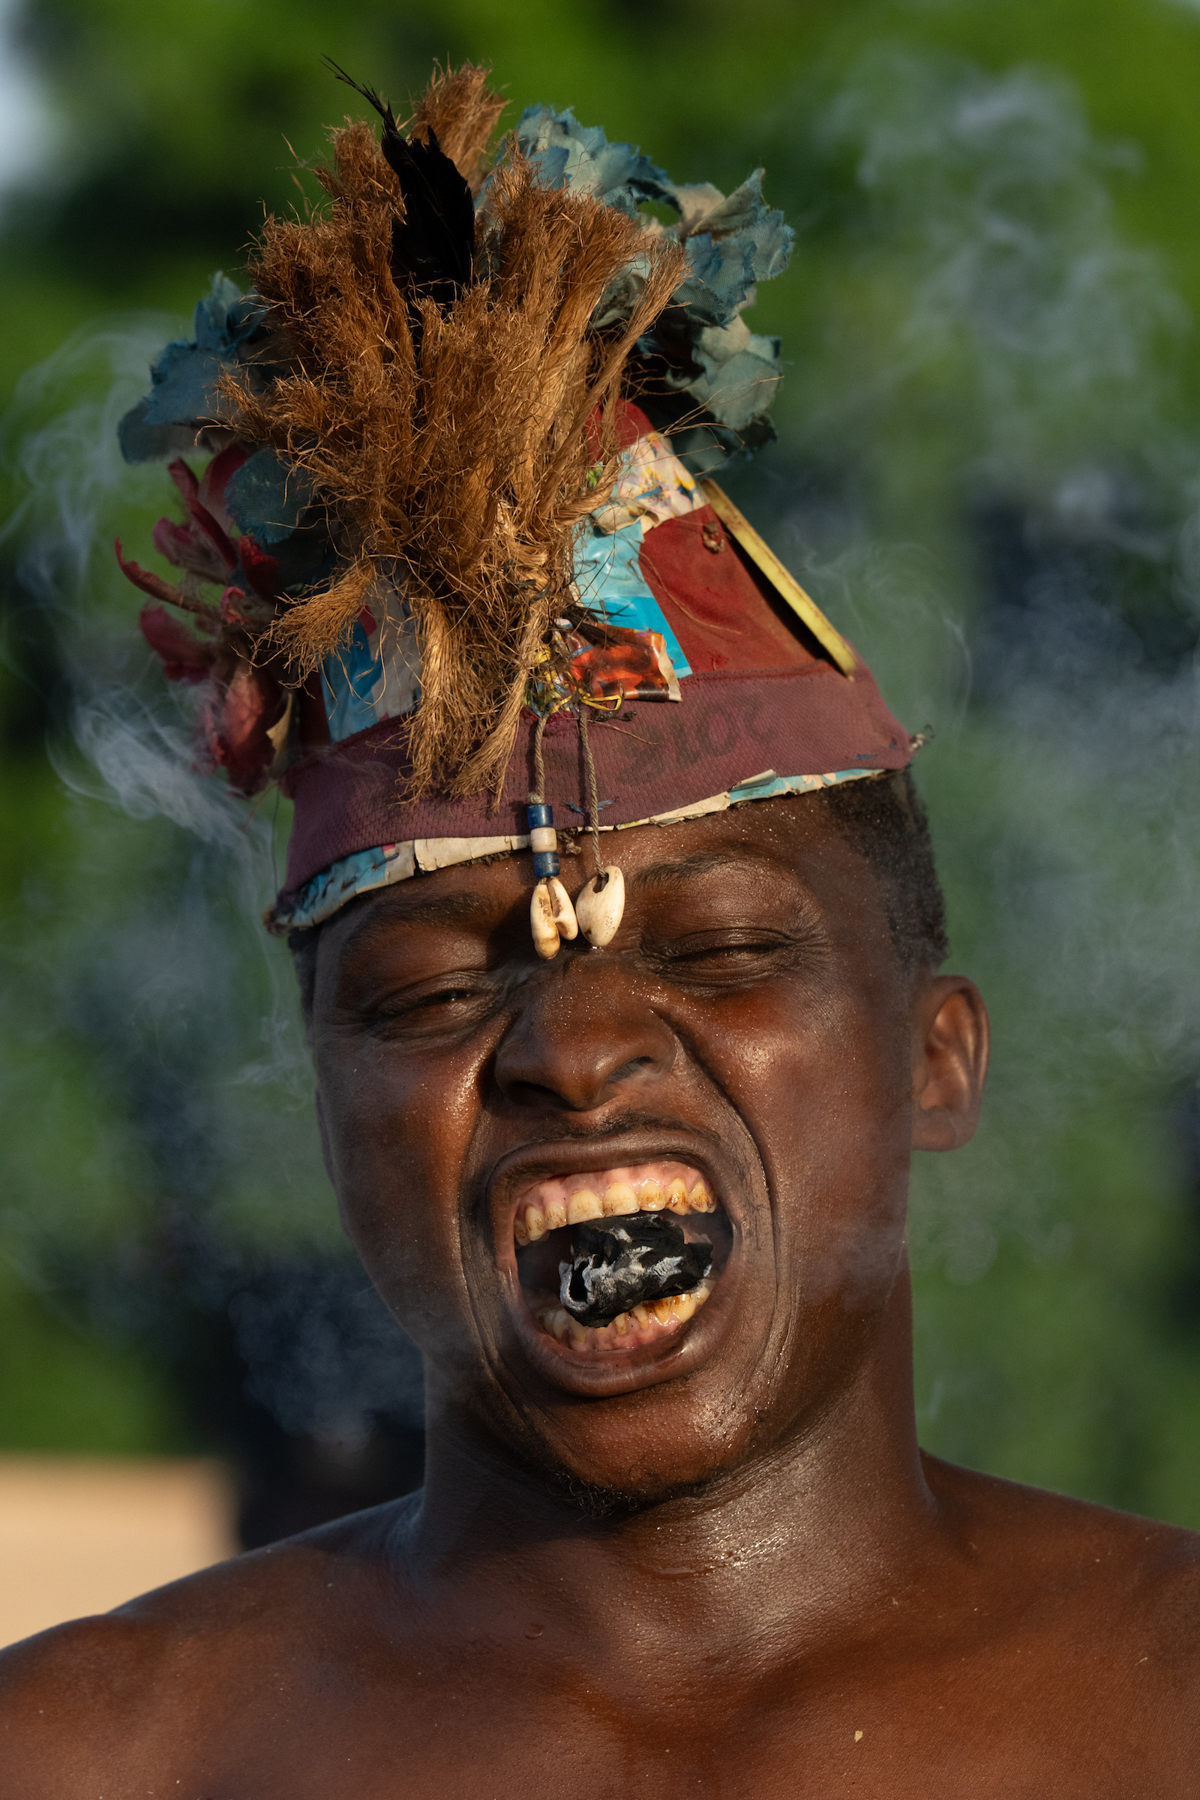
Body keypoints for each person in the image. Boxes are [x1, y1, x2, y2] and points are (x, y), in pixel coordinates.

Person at [1, 63, 1197, 1798]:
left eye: (719, 955)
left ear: (936, 1054)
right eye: (424, 991)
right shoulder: (92, 1760)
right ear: (324, 1110)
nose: (572, 1048)